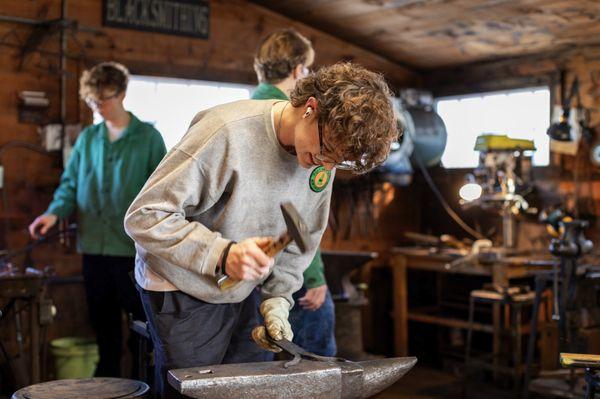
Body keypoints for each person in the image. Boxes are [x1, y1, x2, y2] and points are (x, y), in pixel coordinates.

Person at [124, 61, 397, 398]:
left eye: (337, 162)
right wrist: (222, 254)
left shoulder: (319, 160)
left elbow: (300, 239)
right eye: (326, 151)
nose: (325, 166)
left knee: (251, 390)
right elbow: (145, 215)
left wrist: (278, 299)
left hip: (244, 288)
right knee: (196, 393)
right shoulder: (225, 131)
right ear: (310, 108)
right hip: (181, 285)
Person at [28, 61, 167, 378]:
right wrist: (53, 213)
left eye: (103, 100)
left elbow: (162, 193)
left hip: (133, 254)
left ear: (122, 94)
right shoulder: (89, 139)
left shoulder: (149, 138)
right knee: (104, 333)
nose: (98, 108)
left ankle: (139, 385)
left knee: (140, 332)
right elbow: (70, 184)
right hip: (94, 250)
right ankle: (107, 387)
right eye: (93, 102)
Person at [252, 29, 336, 357]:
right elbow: (297, 211)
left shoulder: (244, 113)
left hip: (245, 268)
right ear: (300, 70)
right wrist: (313, 276)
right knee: (314, 360)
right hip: (286, 268)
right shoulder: (298, 121)